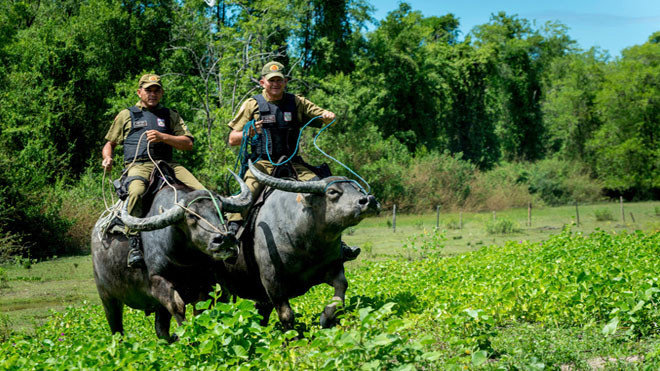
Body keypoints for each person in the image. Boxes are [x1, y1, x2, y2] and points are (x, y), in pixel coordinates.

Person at [225, 61, 360, 261]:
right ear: (263, 82)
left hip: (292, 162)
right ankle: (231, 236)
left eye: (279, 80)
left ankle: (337, 245)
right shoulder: (252, 104)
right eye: (271, 81)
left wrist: (327, 116)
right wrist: (249, 130)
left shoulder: (296, 102)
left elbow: (323, 116)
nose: (275, 84)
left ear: (285, 81)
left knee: (322, 189)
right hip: (263, 163)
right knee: (248, 192)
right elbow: (232, 139)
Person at [102, 74, 206, 268]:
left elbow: (188, 144)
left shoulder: (170, 114)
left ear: (162, 92)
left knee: (201, 192)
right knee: (136, 192)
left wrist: (163, 137)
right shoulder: (127, 114)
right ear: (139, 92)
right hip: (138, 165)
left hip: (167, 164)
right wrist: (107, 158)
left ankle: (212, 236)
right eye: (148, 90)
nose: (153, 94)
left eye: (156, 90)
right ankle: (134, 243)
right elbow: (110, 143)